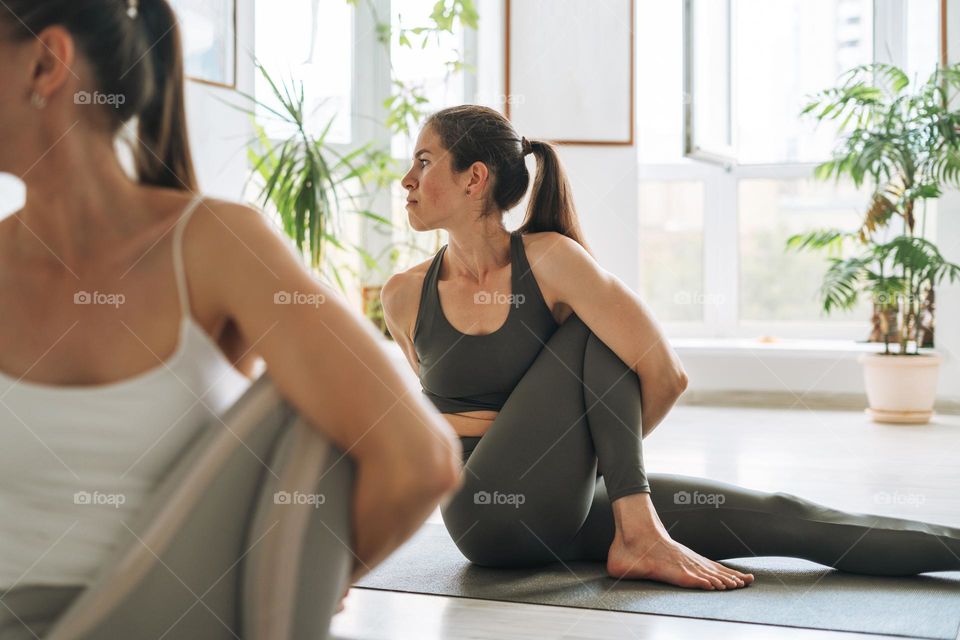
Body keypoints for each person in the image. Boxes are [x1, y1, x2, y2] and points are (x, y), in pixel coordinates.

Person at [0, 0, 463, 633]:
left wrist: (295, 580)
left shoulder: (213, 245)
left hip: (154, 619)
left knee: (308, 411)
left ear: (46, 63)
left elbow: (418, 457)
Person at [381, 104, 960, 590]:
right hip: (483, 520)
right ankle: (639, 529)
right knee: (595, 330)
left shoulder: (550, 260)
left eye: (424, 161)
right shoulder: (405, 296)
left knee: (787, 517)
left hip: (567, 503)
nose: (407, 178)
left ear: (474, 178)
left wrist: (591, 467)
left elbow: (665, 374)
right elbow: (435, 428)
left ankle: (639, 529)